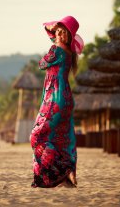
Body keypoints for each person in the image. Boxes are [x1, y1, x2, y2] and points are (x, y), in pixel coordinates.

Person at [30, 16, 84, 188]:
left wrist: (54, 35)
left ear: (69, 36)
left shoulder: (57, 50)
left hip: (55, 99)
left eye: (62, 33)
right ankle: (67, 172)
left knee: (36, 136)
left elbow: (42, 63)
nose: (58, 35)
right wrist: (55, 28)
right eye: (57, 32)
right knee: (63, 138)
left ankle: (56, 173)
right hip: (66, 98)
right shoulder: (70, 54)